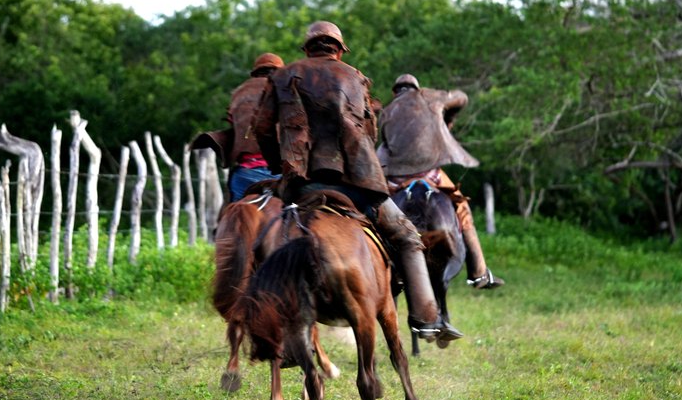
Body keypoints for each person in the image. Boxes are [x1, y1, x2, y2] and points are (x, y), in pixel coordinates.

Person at [252, 21, 462, 344]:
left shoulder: (282, 76)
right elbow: (370, 131)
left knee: (264, 239)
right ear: (338, 49)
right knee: (406, 236)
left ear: (307, 49)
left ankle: (268, 319)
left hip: (300, 184)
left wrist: (276, 165)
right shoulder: (356, 76)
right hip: (357, 184)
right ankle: (426, 318)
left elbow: (263, 128)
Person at [377, 73, 505, 289]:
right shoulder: (430, 99)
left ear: (394, 92)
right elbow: (461, 97)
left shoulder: (387, 112)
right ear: (417, 88)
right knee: (462, 207)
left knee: (375, 213)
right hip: (429, 173)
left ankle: (382, 268)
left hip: (396, 177)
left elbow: (385, 144)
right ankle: (479, 272)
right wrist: (448, 119)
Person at [192, 53, 283, 202]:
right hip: (279, 176)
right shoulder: (287, 91)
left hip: (246, 174)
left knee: (231, 219)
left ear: (255, 73)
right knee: (299, 217)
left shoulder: (239, 92)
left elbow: (233, 124)